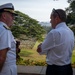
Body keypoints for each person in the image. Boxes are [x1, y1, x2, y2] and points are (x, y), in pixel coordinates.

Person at [37, 8, 74, 75]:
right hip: (68, 69)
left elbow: (41, 50)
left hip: (55, 70)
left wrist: (40, 46)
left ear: (56, 18)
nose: (50, 21)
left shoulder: (54, 33)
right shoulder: (70, 32)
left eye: (51, 19)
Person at [0, 3, 17, 75]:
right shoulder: (4, 30)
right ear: (4, 16)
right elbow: (1, 57)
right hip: (5, 69)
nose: (13, 18)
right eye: (11, 15)